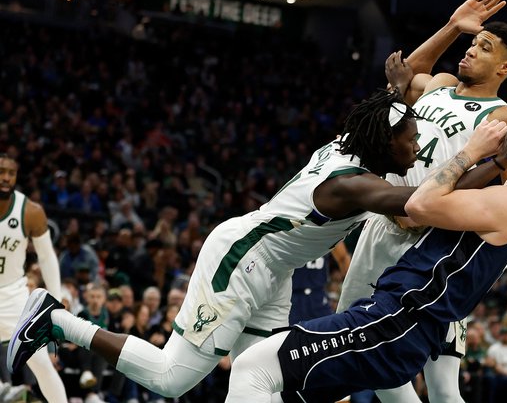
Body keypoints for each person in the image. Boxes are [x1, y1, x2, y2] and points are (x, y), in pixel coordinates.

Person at [5, 87, 427, 398]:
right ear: (388, 142)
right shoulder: (353, 185)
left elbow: (388, 111)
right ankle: (58, 320)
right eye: (412, 140)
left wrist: (421, 62)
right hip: (244, 260)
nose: (419, 147)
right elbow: (424, 202)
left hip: (275, 269)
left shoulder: (353, 143)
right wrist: (488, 162)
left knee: (259, 381)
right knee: (171, 378)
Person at [221, 113, 507, 402]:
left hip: (395, 321)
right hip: (402, 328)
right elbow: (416, 213)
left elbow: (418, 204)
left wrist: (472, 151)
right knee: (283, 393)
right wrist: (495, 164)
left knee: (253, 367)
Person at [336, 0, 507, 403]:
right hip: (386, 220)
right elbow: (404, 72)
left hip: (433, 239)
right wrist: (451, 26)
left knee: (441, 386)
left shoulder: (504, 117)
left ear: (504, 67)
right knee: (358, 343)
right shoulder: (439, 83)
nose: (470, 50)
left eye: (483, 47)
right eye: (472, 42)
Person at [0, 154, 68, 403]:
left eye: (11, 173)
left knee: (41, 363)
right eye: (1, 172)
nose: (6, 178)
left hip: (13, 296)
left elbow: (48, 258)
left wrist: (56, 302)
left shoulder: (30, 211)